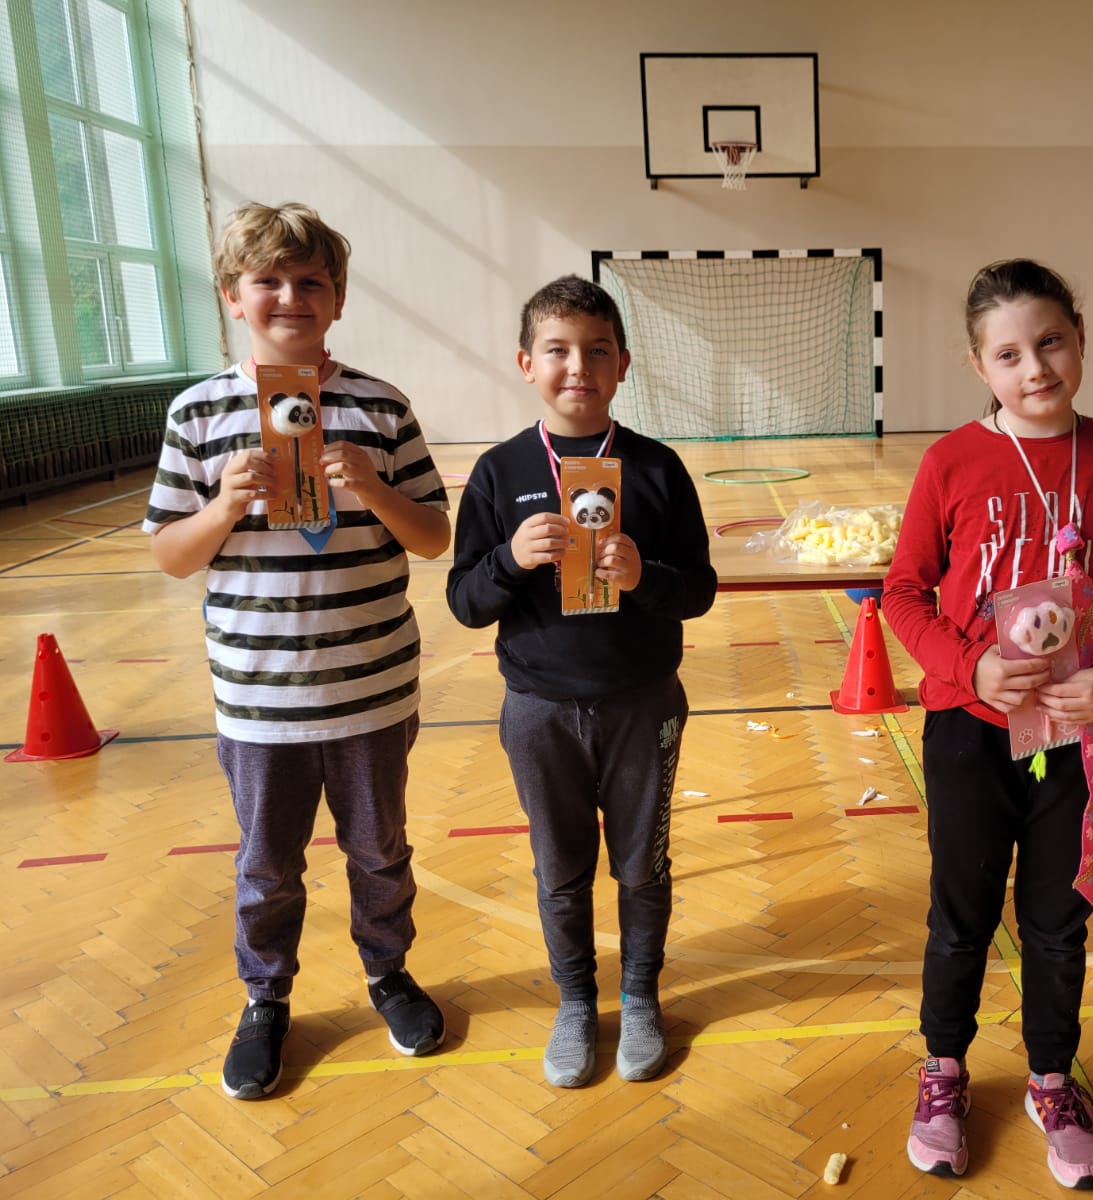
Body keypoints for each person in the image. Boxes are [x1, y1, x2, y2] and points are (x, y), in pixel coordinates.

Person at [145, 202, 451, 1099]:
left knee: (379, 851)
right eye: (268, 281)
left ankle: (389, 974)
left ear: (339, 298)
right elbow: (171, 555)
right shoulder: (199, 412)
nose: (290, 297)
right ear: (232, 296)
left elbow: (434, 537)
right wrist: (224, 505)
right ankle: (265, 998)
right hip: (259, 701)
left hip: (372, 691)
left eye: (310, 281)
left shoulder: (380, 406)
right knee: (267, 866)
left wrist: (375, 491)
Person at [881, 259, 1093, 1188]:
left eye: (1050, 342)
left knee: (1057, 922)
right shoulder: (951, 461)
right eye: (1008, 354)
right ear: (979, 366)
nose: (1035, 367)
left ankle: (1053, 1080)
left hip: (1081, 734)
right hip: (971, 732)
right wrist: (967, 666)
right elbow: (903, 592)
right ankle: (943, 1072)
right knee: (960, 918)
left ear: (1080, 338)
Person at [446, 275, 716, 1088]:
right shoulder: (500, 472)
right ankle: (574, 1002)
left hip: (642, 702)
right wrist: (509, 559)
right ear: (526, 363)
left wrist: (643, 575)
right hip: (539, 709)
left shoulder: (658, 467)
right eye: (557, 350)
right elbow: (465, 602)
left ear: (622, 364)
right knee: (560, 869)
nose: (578, 367)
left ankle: (639, 996)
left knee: (641, 865)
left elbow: (699, 590)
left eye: (597, 351)